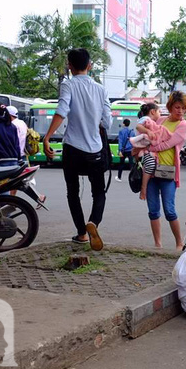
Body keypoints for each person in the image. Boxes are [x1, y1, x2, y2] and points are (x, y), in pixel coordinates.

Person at [43, 48, 112, 251]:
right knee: (99, 192)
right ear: (89, 66)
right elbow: (106, 122)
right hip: (95, 151)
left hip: (72, 149)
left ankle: (82, 233)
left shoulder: (68, 85)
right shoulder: (101, 90)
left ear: (69, 66)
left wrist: (47, 137)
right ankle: (94, 223)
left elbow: (62, 110)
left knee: (72, 192)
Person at [135, 91, 186, 250]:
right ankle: (157, 244)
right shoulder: (160, 119)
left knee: (170, 210)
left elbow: (168, 144)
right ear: (170, 107)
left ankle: (179, 243)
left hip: (169, 171)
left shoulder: (184, 126)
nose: (180, 111)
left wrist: (150, 147)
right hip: (152, 170)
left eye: (183, 108)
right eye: (177, 107)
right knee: (153, 210)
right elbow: (144, 131)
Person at [131, 113, 172, 201]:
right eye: (158, 111)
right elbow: (138, 127)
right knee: (150, 165)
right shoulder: (147, 119)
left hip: (145, 150)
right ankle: (143, 188)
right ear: (153, 111)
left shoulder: (154, 122)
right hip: (145, 150)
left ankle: (149, 187)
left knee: (151, 166)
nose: (160, 113)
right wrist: (149, 131)